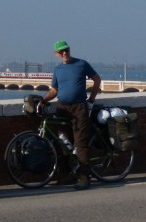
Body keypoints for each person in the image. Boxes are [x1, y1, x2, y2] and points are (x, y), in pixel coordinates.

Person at [43, 40, 101, 190]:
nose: (64, 53)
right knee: (62, 141)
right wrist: (42, 100)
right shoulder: (57, 70)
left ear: (69, 49)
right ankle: (67, 174)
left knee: (80, 142)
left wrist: (91, 100)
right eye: (61, 51)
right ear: (56, 54)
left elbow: (97, 79)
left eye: (66, 50)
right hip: (62, 108)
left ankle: (84, 176)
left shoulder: (82, 64)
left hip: (79, 108)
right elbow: (54, 90)